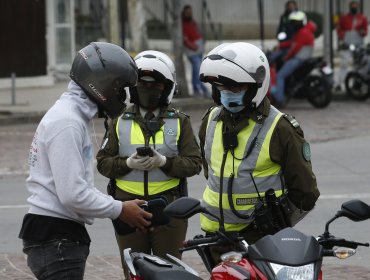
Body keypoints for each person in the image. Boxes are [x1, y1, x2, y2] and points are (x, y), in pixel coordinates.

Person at [18, 42, 153, 280]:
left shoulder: (72, 116)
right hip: (56, 237)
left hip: (56, 233)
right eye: (121, 89)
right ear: (103, 84)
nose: (122, 97)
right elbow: (73, 193)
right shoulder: (68, 122)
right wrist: (119, 209)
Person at [198, 42, 320, 266]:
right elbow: (213, 174)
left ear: (256, 86)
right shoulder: (211, 120)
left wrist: (277, 223)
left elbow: (305, 191)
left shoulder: (280, 127)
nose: (227, 94)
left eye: (235, 88)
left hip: (259, 241)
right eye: (221, 88)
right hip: (215, 237)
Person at [96, 50, 202, 278]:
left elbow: (194, 164)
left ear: (166, 88)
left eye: (155, 85)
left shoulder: (179, 121)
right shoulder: (118, 120)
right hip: (128, 209)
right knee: (134, 273)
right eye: (142, 84)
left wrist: (164, 162)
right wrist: (128, 163)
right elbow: (103, 163)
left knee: (170, 273)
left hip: (169, 210)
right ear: (133, 87)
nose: (148, 89)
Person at [271, 11, 316, 107]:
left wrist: (286, 58)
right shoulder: (305, 31)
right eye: (294, 22)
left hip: (298, 58)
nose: (295, 24)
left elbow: (295, 48)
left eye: (297, 22)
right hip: (303, 57)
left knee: (279, 76)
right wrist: (282, 45)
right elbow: (293, 42)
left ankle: (280, 100)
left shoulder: (303, 32)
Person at [336, 1, 368, 92]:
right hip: (347, 44)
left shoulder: (362, 18)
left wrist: (363, 32)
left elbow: (365, 30)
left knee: (358, 65)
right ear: (350, 7)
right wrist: (342, 35)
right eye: (352, 6)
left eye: (355, 6)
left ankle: (356, 83)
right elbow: (339, 28)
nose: (354, 8)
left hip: (358, 44)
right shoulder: (344, 18)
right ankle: (339, 83)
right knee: (344, 64)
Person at [182, 4, 210, 98]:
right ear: (184, 13)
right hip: (193, 51)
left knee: (196, 71)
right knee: (197, 70)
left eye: (190, 12)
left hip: (198, 50)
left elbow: (196, 32)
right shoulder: (182, 24)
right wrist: (193, 46)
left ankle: (198, 90)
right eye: (187, 12)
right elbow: (185, 39)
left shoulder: (192, 22)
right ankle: (201, 89)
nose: (189, 14)